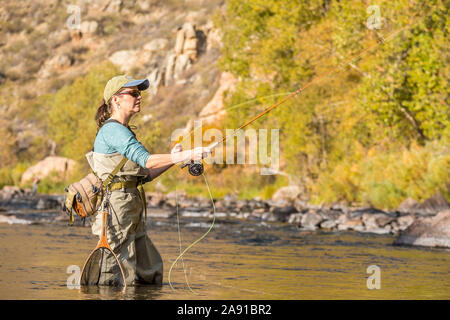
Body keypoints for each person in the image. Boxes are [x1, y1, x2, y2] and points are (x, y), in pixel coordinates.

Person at [90, 75, 211, 286]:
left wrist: (175, 160)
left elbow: (145, 174)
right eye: (134, 93)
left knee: (150, 271)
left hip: (131, 207)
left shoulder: (123, 130)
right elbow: (146, 159)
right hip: (116, 210)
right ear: (116, 100)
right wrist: (186, 154)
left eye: (140, 93)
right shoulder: (113, 130)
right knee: (118, 277)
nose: (139, 97)